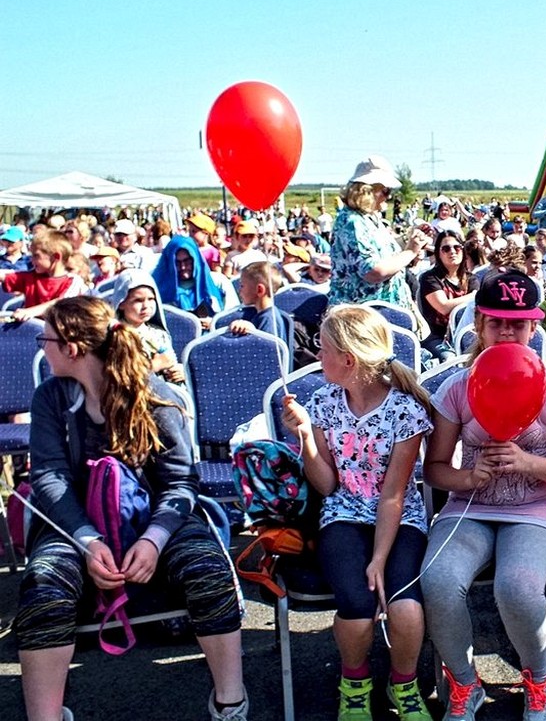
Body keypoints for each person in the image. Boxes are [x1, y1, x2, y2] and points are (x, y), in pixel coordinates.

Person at [16, 296, 248, 721]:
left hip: (156, 518)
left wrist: (154, 539)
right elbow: (49, 478)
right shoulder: (51, 397)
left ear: (72, 348)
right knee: (44, 584)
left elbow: (179, 482)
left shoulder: (155, 395)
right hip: (76, 524)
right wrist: (87, 540)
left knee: (208, 569)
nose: (40, 348)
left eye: (44, 339)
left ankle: (230, 702)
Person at [420, 269, 546, 721]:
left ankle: (537, 679)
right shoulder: (458, 387)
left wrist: (528, 462)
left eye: (518, 322)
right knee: (437, 581)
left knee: (516, 587)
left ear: (535, 327)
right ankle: (464, 682)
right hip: (469, 509)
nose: (507, 330)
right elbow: (434, 470)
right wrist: (470, 476)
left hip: (536, 510)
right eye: (496, 322)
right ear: (479, 323)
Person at [281, 305, 433, 720]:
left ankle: (404, 683)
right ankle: (355, 682)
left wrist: (379, 560)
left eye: (323, 348)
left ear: (348, 359)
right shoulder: (324, 401)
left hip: (399, 516)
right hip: (343, 513)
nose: (317, 356)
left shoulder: (405, 410)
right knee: (357, 606)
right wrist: (305, 438)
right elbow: (327, 485)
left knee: (405, 606)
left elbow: (393, 496)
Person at [328, 157, 428, 310]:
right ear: (366, 191)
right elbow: (373, 271)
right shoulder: (352, 221)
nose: (389, 197)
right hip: (362, 316)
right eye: (386, 191)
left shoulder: (369, 218)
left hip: (382, 311)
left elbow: (386, 253)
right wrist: (411, 251)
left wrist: (411, 238)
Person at [110, 269, 185, 383]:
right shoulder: (116, 336)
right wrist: (154, 366)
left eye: (151, 299)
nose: (146, 306)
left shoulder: (159, 334)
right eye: (138, 300)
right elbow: (117, 377)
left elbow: (169, 362)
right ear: (121, 303)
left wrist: (179, 372)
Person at [0, 228, 88, 321]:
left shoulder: (73, 281)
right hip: (32, 333)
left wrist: (30, 312)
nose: (31, 260)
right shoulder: (31, 277)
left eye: (36, 256)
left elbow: (61, 303)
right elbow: (6, 275)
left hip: (58, 332)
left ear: (56, 257)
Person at [418, 229, 478, 362]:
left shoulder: (471, 279)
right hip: (436, 336)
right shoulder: (429, 278)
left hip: (466, 334)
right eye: (446, 248)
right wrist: (473, 295)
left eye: (457, 247)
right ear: (438, 253)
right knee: (449, 359)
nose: (452, 251)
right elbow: (443, 307)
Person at [152, 236, 231, 325]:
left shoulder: (219, 282)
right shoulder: (157, 288)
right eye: (177, 263)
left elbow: (232, 315)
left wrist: (215, 323)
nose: (183, 267)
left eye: (187, 261)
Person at [229, 261, 288, 340]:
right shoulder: (262, 315)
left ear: (260, 290)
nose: (239, 290)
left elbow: (268, 350)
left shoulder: (269, 320)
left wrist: (253, 332)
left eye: (242, 286)